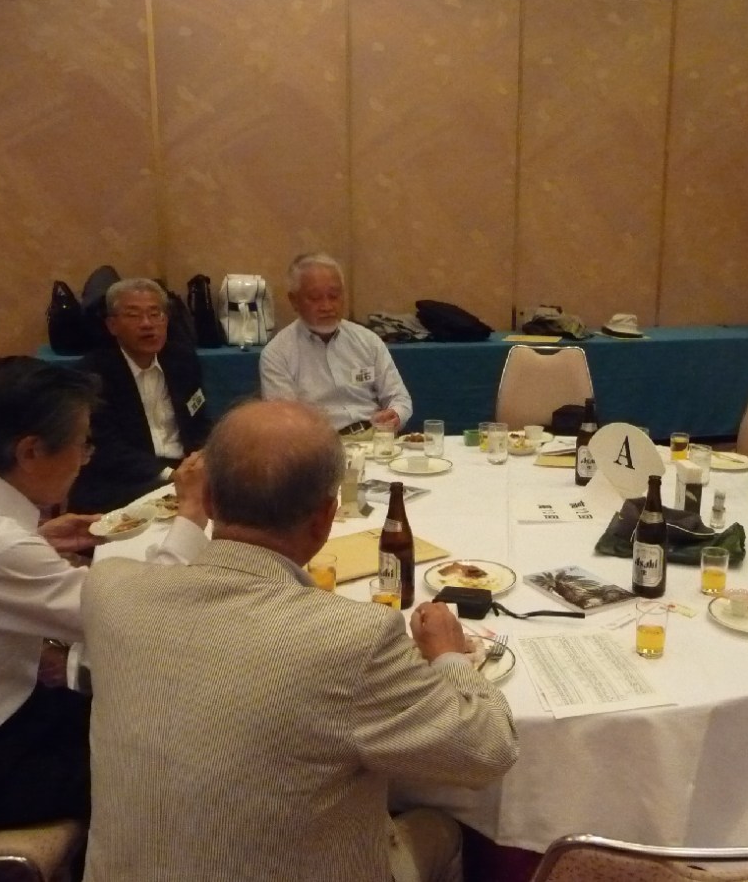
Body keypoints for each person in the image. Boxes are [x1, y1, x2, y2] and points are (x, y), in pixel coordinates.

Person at [81, 399, 517, 882]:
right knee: (445, 827)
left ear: (209, 501)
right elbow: (488, 752)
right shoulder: (353, 638)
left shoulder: (108, 589)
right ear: (325, 519)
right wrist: (450, 656)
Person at [0, 357, 208, 838]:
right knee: (168, 765)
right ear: (31, 451)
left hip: (4, 715)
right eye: (82, 444)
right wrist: (193, 512)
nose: (84, 458)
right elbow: (142, 615)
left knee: (149, 713)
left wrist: (39, 540)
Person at [68, 277, 212, 513]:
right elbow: (105, 447)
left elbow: (198, 421)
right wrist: (170, 474)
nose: (147, 324)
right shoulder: (92, 375)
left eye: (155, 314)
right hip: (123, 480)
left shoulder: (182, 360)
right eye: (134, 315)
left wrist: (202, 457)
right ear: (112, 325)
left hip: (183, 467)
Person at [259, 253, 413, 435]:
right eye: (315, 298)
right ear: (294, 301)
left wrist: (395, 414)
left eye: (334, 296)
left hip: (376, 437)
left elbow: (399, 397)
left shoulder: (367, 340)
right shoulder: (277, 354)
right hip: (322, 443)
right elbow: (286, 420)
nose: (327, 306)